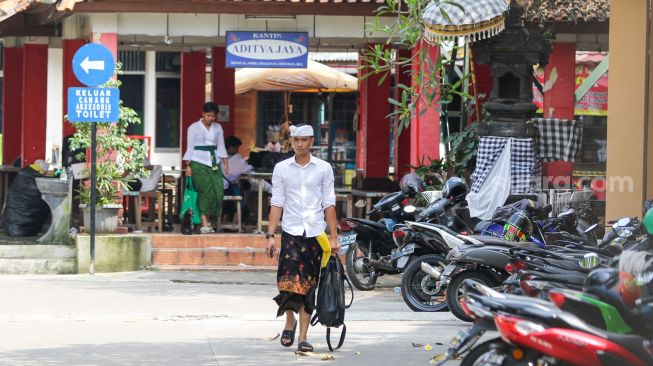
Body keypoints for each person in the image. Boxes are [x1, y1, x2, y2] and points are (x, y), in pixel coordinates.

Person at [266, 123, 339, 353]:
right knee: (287, 282)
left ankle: (303, 337)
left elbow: (329, 203)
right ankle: (290, 320)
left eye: (305, 140)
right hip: (290, 232)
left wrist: (334, 237)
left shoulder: (324, 168)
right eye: (296, 140)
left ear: (311, 141)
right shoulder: (281, 169)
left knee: (308, 286)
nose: (300, 144)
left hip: (316, 234)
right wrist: (270, 235)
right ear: (291, 142)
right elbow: (277, 202)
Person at [182, 102, 230, 234]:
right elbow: (190, 147)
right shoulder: (193, 127)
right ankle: (204, 223)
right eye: (209, 115)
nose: (211, 118)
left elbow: (220, 146)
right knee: (203, 192)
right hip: (197, 162)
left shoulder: (218, 127)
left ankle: (207, 221)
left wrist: (225, 163)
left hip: (214, 162)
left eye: (213, 116)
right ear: (203, 113)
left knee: (217, 192)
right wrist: (187, 165)